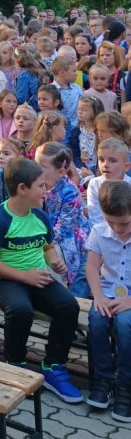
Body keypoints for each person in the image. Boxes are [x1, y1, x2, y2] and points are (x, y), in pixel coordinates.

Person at [0, 158, 82, 402]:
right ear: (22, 189)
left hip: (37, 276)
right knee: (20, 310)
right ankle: (15, 364)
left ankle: (53, 366)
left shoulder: (40, 216)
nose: (46, 190)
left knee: (68, 306)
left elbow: (47, 246)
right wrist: (24, 276)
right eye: (41, 186)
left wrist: (54, 260)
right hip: (6, 279)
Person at [85, 180, 131, 420]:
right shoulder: (99, 231)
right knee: (97, 319)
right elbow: (92, 267)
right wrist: (98, 296)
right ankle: (103, 380)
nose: (117, 228)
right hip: (107, 293)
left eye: (124, 223)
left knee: (125, 325)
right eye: (111, 221)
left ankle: (125, 385)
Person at [34, 142, 90, 297]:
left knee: (55, 255)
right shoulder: (36, 185)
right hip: (44, 234)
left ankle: (60, 292)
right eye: (35, 164)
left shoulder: (70, 192)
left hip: (67, 237)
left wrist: (39, 240)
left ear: (61, 172)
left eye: (41, 166)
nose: (35, 169)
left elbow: (64, 228)